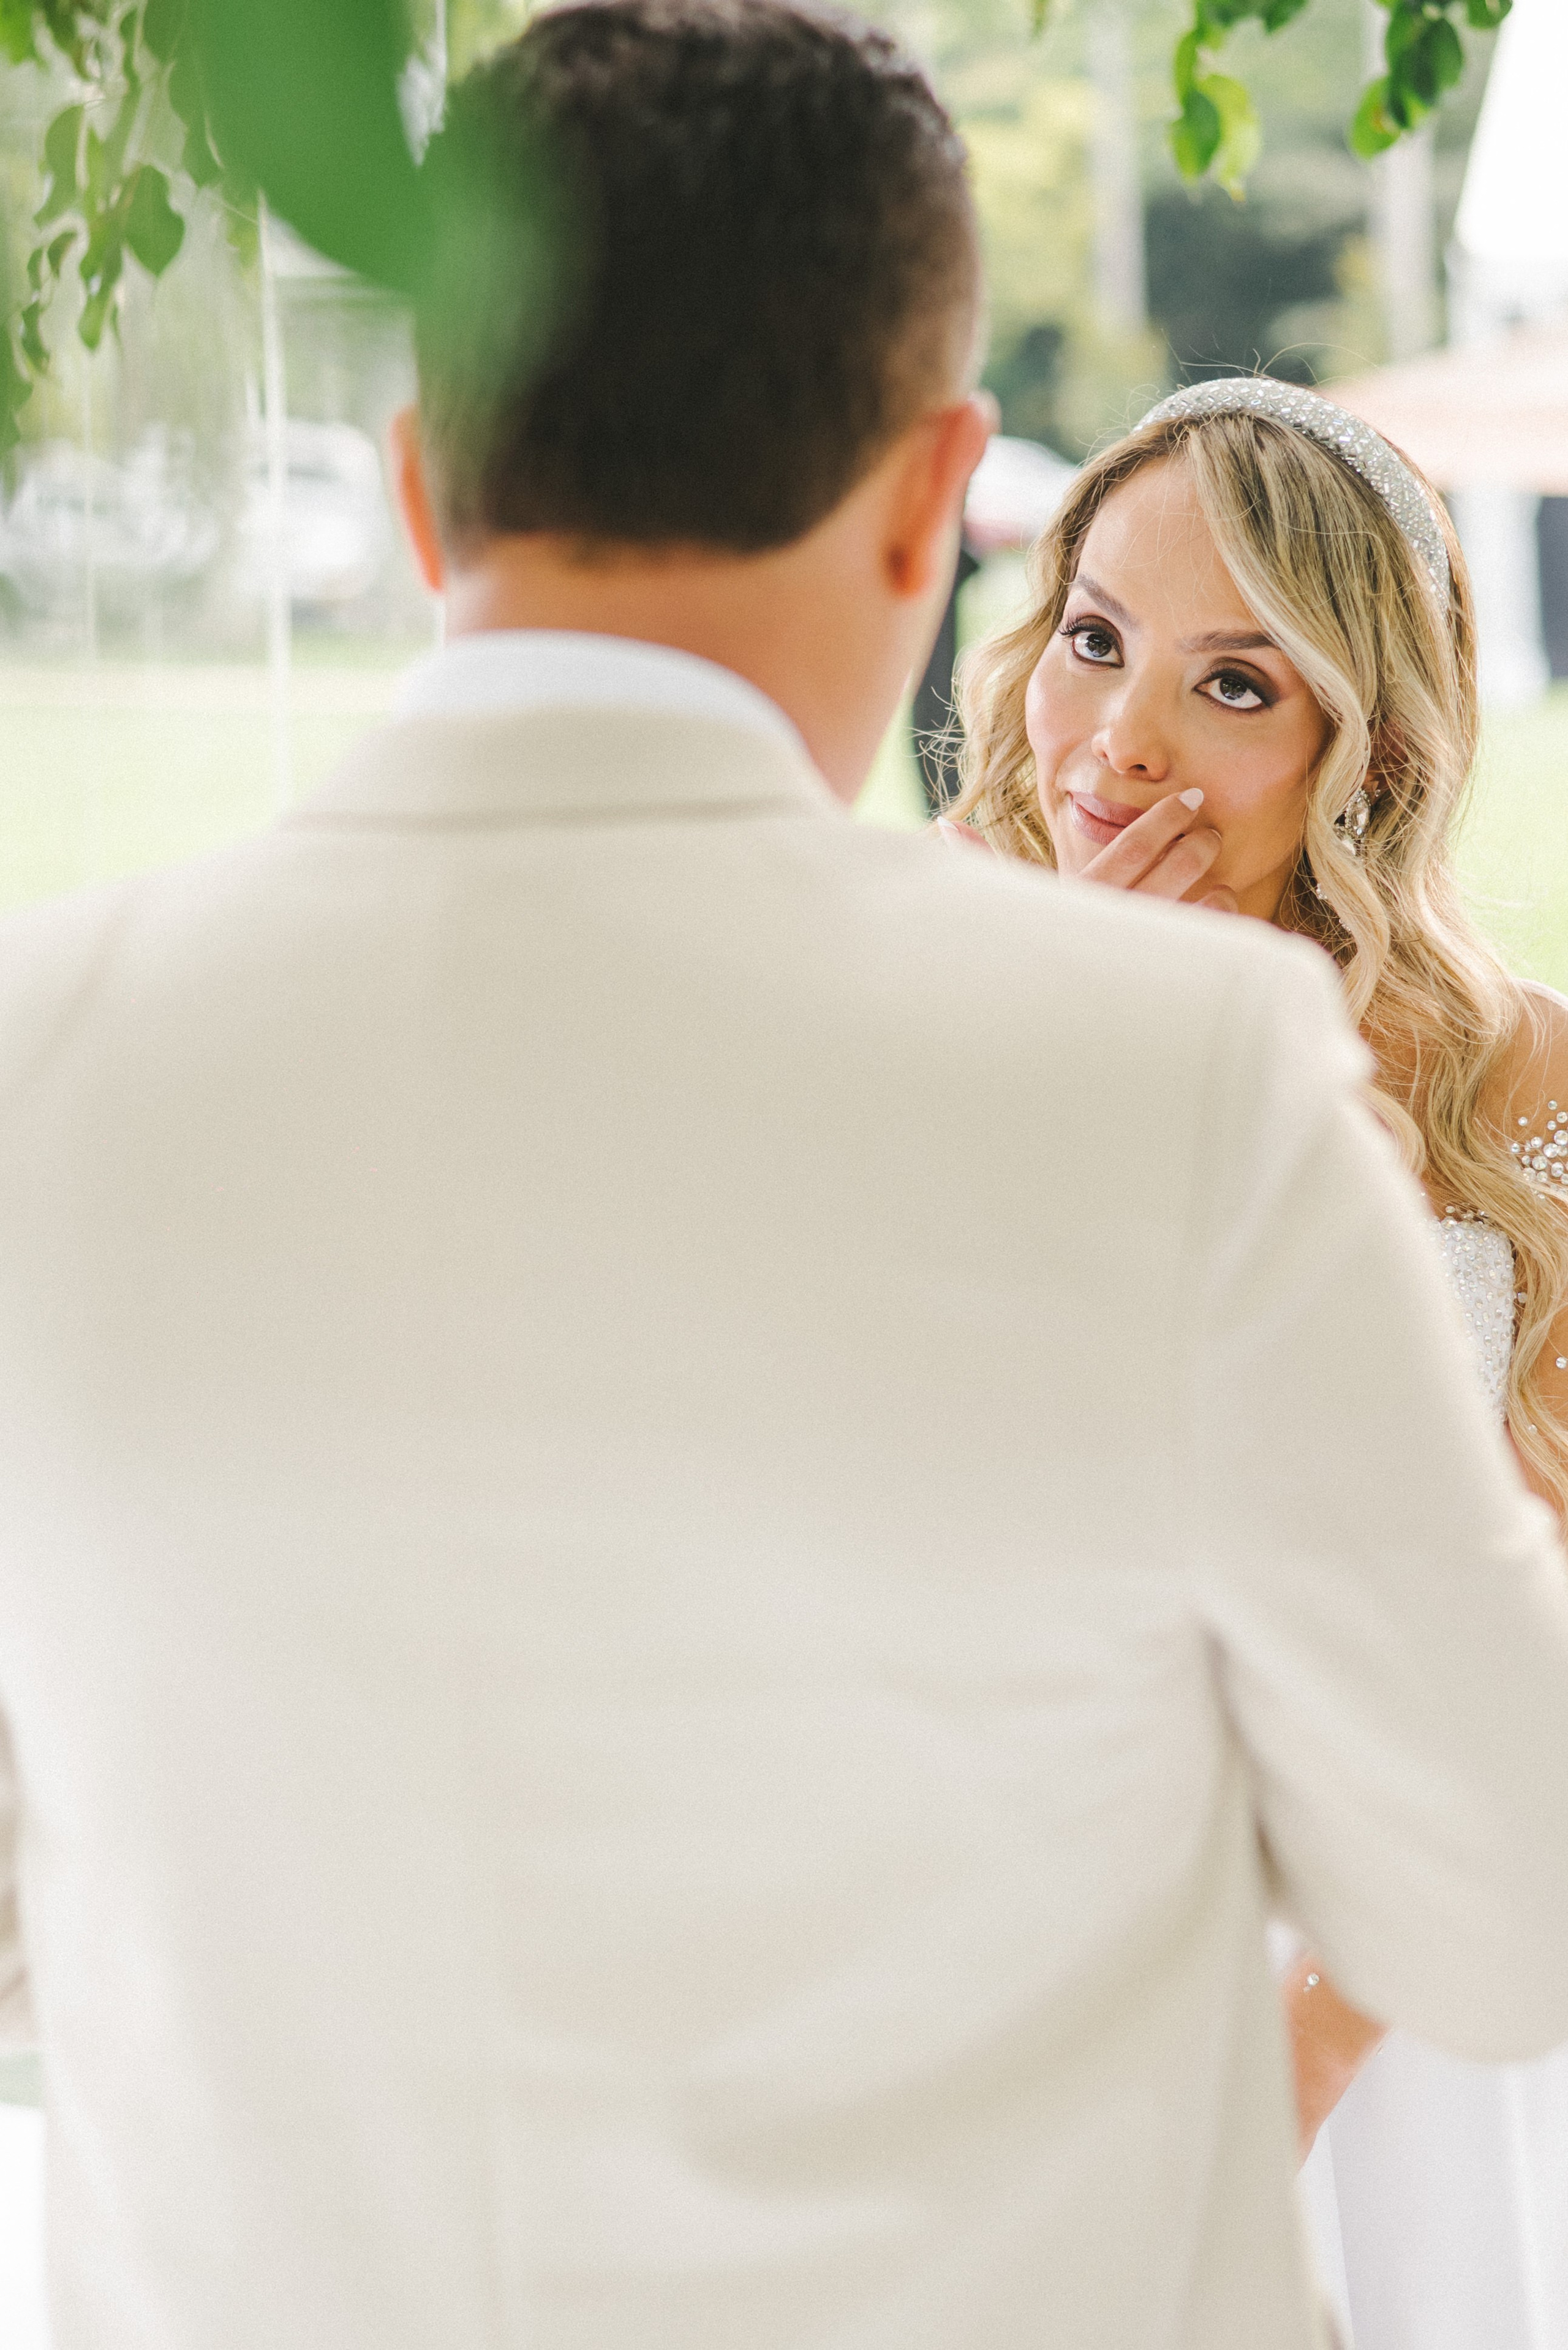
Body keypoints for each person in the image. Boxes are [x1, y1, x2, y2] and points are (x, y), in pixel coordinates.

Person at [1, 12, 1568, 2347]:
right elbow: (1508, 1895)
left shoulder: (41, 1061)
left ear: (422, 495)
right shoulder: (1190, 1085)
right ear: (944, 505)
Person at [949, 372, 1568, 2346]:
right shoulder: (931, 1019)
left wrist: (1294, 2061)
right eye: (1098, 640)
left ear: (1365, 751)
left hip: (1416, 1992)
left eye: (1236, 684)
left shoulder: (1520, 1090)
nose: (1115, 745)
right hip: (1010, 1945)